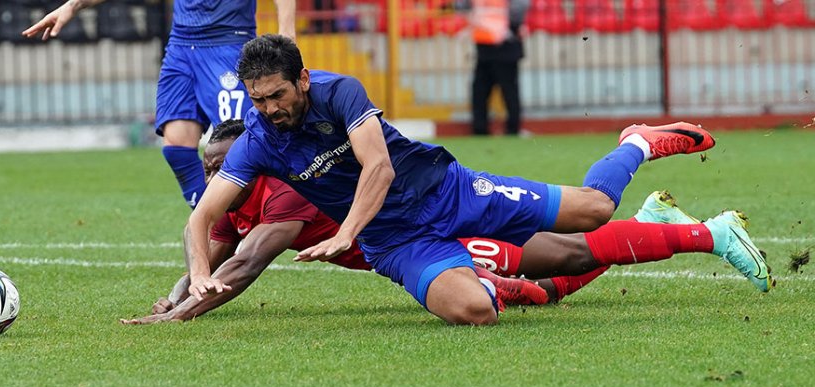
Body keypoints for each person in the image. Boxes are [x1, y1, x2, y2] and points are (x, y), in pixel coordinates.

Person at [185, 34, 766, 326]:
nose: (268, 109)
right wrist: (197, 276)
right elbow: (203, 218)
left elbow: (378, 167)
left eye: (277, 96)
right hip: (400, 243)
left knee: (590, 212)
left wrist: (345, 234)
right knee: (474, 312)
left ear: (303, 80)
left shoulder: (340, 93)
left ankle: (636, 141)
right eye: (258, 101)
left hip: (450, 193)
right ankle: (493, 279)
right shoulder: (259, 141)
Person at [120, 120, 772, 324]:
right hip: (412, 246)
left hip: (437, 222)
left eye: (221, 167)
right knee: (553, 270)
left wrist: (173, 321)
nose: (212, 180)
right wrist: (177, 295)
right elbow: (206, 257)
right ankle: (666, 222)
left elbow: (241, 266)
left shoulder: (289, 192)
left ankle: (695, 220)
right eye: (209, 170)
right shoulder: (237, 196)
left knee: (568, 258)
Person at [22, 0, 296, 209]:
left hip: (227, 41)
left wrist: (287, 33)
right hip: (181, 45)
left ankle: (277, 216)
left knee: (239, 147)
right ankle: (216, 226)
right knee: (177, 147)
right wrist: (74, 5)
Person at [470, 0, 529, 135]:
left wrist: (511, 27)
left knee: (507, 92)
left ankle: (512, 128)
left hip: (506, 47)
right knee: (481, 91)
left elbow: (518, 10)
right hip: (486, 46)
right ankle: (480, 128)